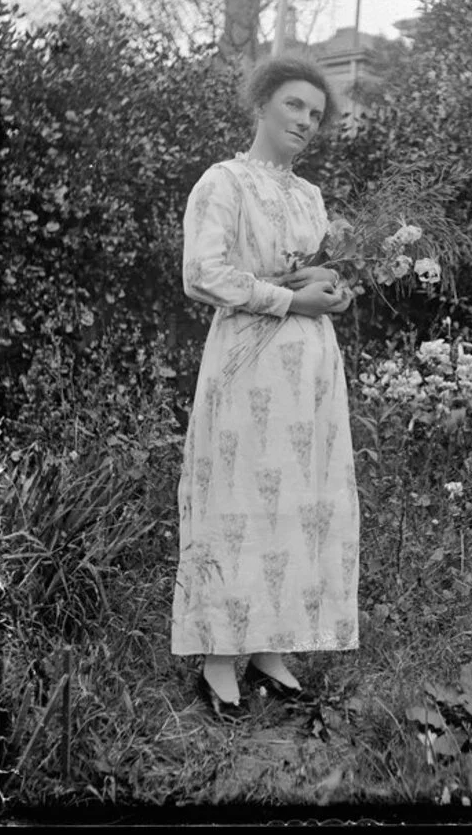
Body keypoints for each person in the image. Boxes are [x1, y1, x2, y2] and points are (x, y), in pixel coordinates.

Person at [171, 56, 360, 717]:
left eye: (316, 113)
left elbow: (312, 275)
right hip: (247, 362)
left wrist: (330, 291)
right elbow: (204, 273)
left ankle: (270, 647)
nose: (307, 122)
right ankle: (220, 657)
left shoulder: (309, 197)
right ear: (262, 104)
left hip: (308, 367)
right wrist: (288, 299)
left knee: (297, 499)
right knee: (237, 496)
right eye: (295, 107)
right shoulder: (223, 183)